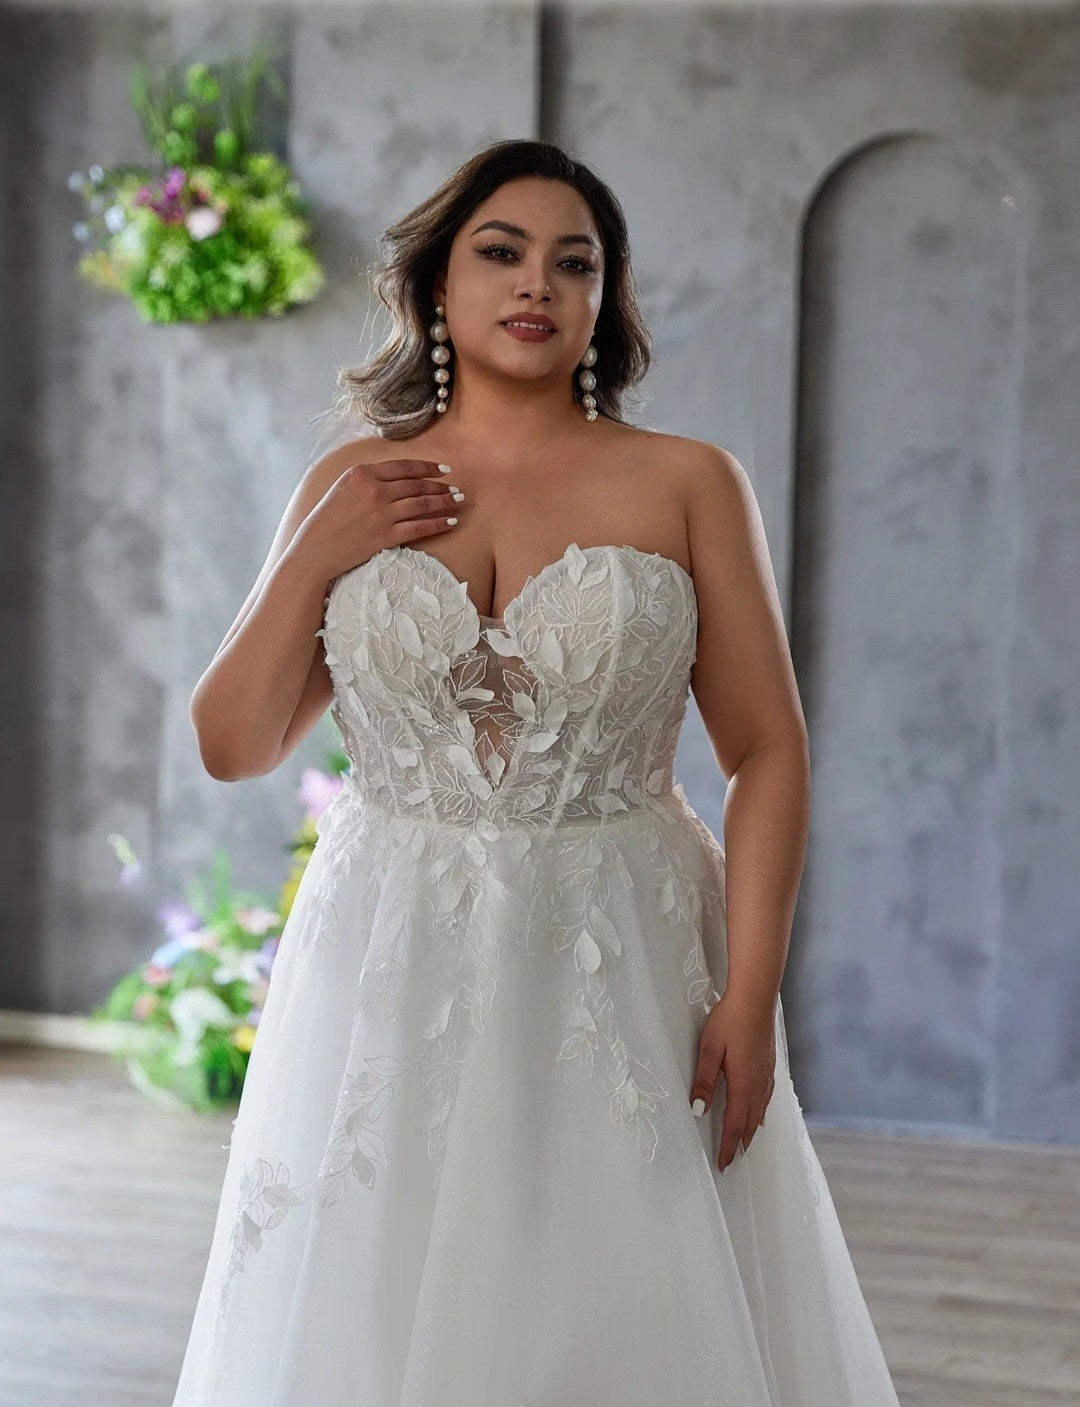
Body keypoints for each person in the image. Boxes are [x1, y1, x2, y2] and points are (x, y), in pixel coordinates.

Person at [174, 138, 901, 1405]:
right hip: (391, 945)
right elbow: (233, 746)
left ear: (603, 301)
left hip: (618, 941)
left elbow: (768, 749)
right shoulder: (355, 483)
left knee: (625, 1291)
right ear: (437, 289)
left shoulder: (686, 481)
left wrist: (749, 997)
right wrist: (312, 556)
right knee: (376, 1287)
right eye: (500, 252)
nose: (539, 284)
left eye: (577, 262)